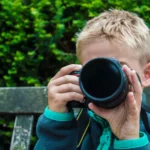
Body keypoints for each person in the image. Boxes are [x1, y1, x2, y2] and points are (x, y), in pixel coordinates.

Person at [34, 9, 150, 150]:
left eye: (118, 69)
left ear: (146, 74)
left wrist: (130, 139)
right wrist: (57, 122)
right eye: (96, 70)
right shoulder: (76, 126)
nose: (105, 79)